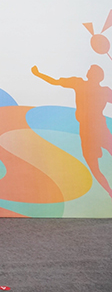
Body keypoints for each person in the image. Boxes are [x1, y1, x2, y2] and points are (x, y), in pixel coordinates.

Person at [32, 64, 112, 199]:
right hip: (88, 129)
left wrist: (38, 74)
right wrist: (38, 74)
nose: (88, 71)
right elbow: (55, 81)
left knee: (94, 163)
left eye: (92, 70)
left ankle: (109, 191)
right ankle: (109, 191)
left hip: (97, 127)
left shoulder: (98, 89)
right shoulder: (80, 83)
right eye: (89, 69)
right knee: (92, 163)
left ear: (98, 76)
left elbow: (55, 82)